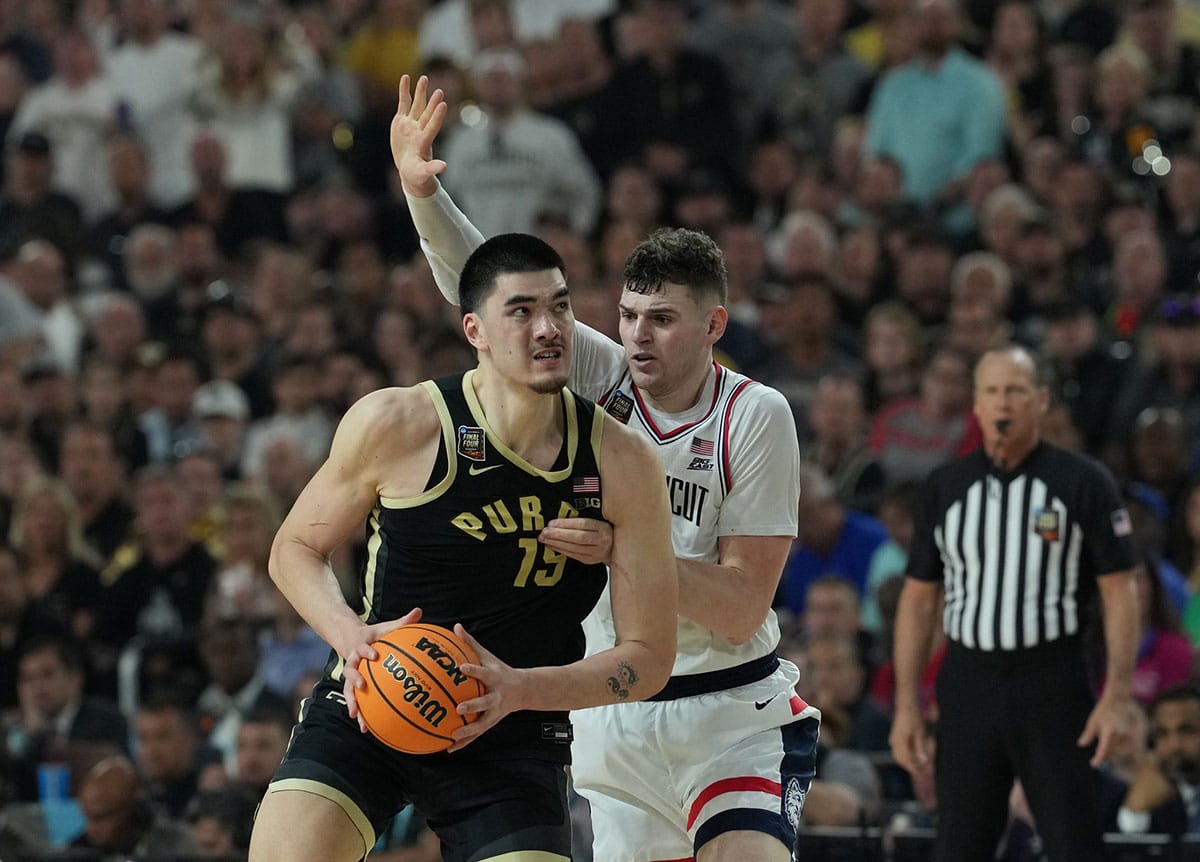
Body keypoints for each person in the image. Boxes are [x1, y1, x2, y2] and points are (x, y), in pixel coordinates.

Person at [393, 75, 819, 862]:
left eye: (662, 319)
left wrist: (622, 547)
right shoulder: (603, 373)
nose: (638, 336)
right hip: (615, 716)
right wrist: (422, 194)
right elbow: (488, 292)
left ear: (713, 324)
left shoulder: (755, 415)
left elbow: (737, 604)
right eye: (627, 316)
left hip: (727, 716)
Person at [247, 231, 679, 862]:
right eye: (522, 311)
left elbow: (648, 660)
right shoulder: (401, 424)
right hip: (375, 703)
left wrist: (519, 689)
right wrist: (350, 637)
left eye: (560, 307)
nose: (548, 328)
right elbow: (292, 549)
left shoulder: (622, 460)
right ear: (475, 329)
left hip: (512, 734)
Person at [890, 343, 1140, 861]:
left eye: (1017, 391)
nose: (1004, 403)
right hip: (968, 682)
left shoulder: (1082, 482)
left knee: (1074, 842)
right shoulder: (945, 487)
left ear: (1041, 400)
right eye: (993, 391)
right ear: (976, 404)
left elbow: (1120, 590)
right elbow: (918, 600)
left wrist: (1116, 695)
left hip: (1053, 679)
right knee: (960, 844)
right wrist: (905, 704)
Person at [1117, 684, 1200, 835]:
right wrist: (1133, 812)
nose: (1175, 745)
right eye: (1162, 734)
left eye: (1187, 731)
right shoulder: (1152, 794)